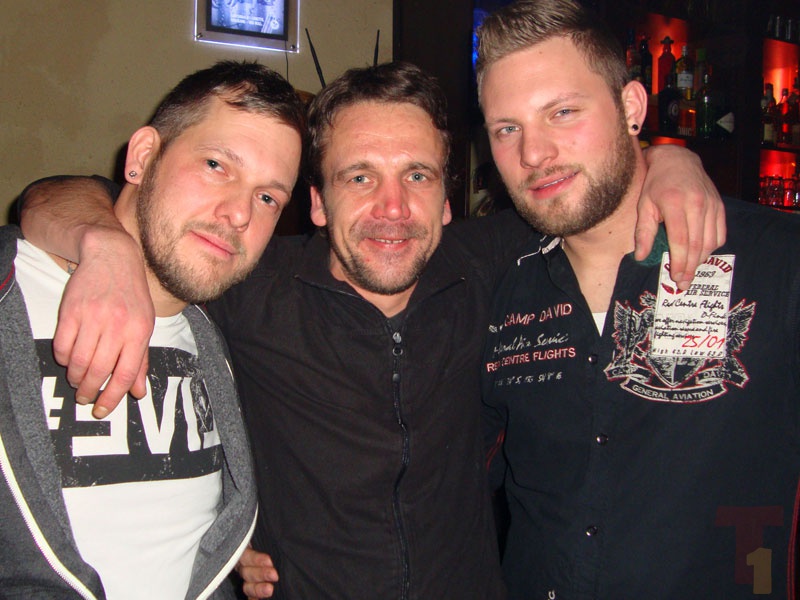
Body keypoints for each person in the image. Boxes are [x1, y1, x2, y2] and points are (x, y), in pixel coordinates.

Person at [19, 62, 725, 599]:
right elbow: (67, 197)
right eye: (359, 178)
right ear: (316, 204)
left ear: (447, 201)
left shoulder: (485, 268)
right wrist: (102, 246)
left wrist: (670, 160)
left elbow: (589, 188)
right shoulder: (245, 281)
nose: (392, 208)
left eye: (416, 175)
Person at [477, 2, 800, 598]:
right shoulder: (496, 286)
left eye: (562, 112)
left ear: (631, 107)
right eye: (506, 129)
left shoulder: (775, 261)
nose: (533, 154)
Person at [0, 60, 304, 598]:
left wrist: (228, 547)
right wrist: (104, 245)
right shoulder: (13, 289)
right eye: (216, 164)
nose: (240, 214)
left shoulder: (225, 333)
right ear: (142, 157)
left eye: (268, 198)